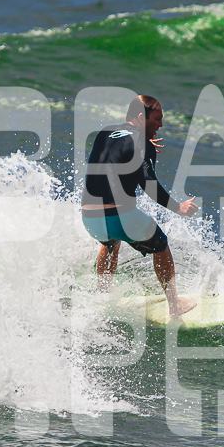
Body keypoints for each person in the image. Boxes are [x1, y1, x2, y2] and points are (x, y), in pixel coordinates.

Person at [82, 95, 199, 318]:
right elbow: (149, 184)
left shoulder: (105, 132)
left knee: (111, 242)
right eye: (157, 119)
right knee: (160, 243)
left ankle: (102, 298)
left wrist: (142, 142)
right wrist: (178, 208)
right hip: (119, 218)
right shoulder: (141, 143)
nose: (161, 125)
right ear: (140, 117)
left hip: (90, 219)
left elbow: (118, 152)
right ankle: (175, 304)